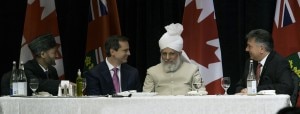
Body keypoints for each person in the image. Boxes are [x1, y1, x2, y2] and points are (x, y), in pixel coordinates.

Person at [143, 23, 205, 95]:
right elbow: (145, 97)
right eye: (164, 54)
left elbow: (200, 93)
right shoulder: (152, 72)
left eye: (172, 54)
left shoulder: (192, 70)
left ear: (180, 54)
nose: (167, 58)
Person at [235, 29, 295, 96]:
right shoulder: (250, 62)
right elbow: (240, 85)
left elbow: (286, 87)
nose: (246, 49)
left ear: (261, 49)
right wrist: (242, 90)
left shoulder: (279, 62)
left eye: (249, 46)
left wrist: (256, 90)